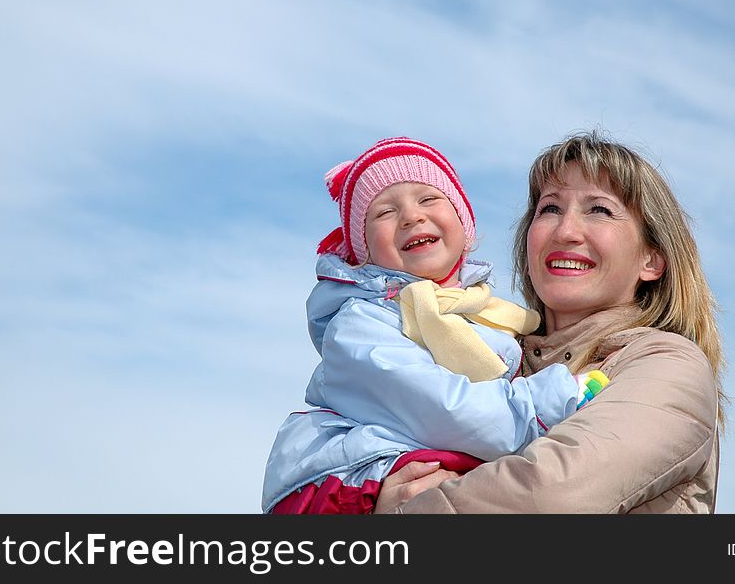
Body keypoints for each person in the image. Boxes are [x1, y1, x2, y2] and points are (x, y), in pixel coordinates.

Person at [374, 130, 727, 514]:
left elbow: (552, 494)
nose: (565, 232)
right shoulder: (487, 355)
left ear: (652, 260)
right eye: (550, 209)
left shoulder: (668, 366)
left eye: (599, 210)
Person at [261, 136, 609, 514]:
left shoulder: (489, 315)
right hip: (348, 481)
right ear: (365, 252)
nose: (411, 216)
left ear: (464, 223)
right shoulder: (362, 322)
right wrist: (545, 403)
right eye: (384, 212)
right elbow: (438, 409)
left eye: (428, 199)